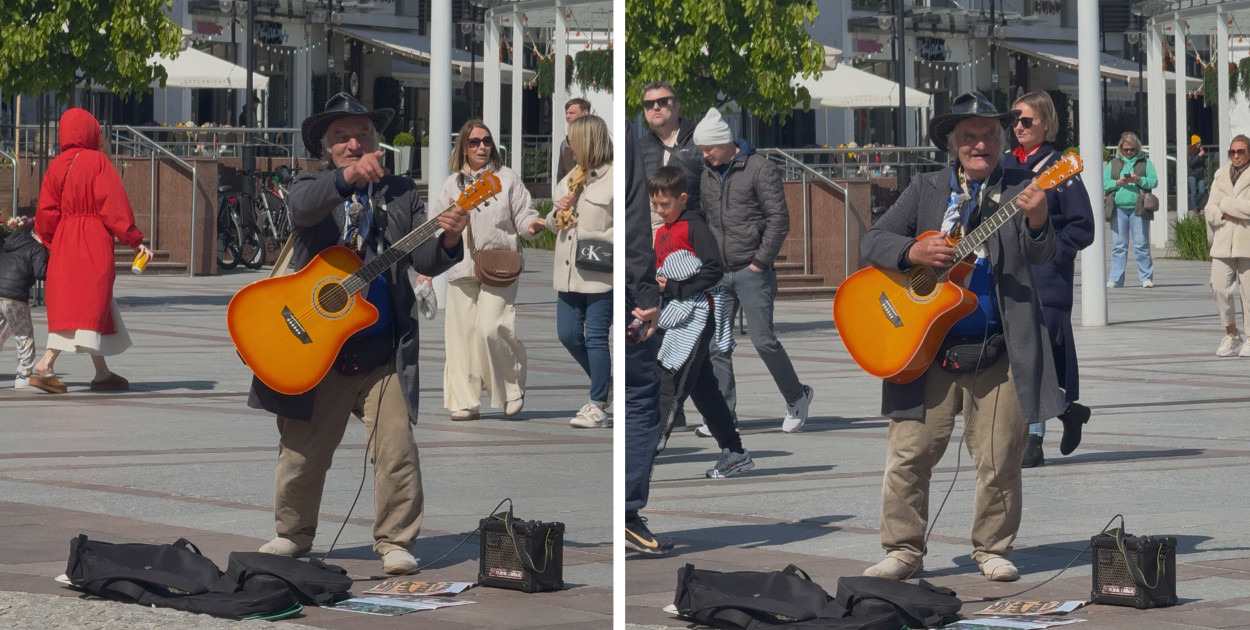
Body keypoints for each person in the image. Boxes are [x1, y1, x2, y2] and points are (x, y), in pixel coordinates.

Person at [247, 92, 468, 575]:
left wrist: (450, 235)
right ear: (327, 148)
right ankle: (293, 533)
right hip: (315, 352)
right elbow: (302, 209)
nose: (354, 143)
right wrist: (346, 180)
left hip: (379, 352)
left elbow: (425, 259)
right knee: (302, 457)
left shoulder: (401, 191)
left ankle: (395, 541)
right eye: (343, 137)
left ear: (376, 139)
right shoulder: (311, 183)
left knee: (397, 451)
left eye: (362, 134)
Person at [859, 91, 1063, 582]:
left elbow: (1043, 254)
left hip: (998, 348)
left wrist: (1037, 217)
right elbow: (871, 241)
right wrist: (912, 251)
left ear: (1001, 140)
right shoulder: (925, 188)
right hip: (924, 349)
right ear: (952, 143)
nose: (980, 145)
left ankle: (993, 548)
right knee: (909, 453)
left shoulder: (1022, 185)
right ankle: (903, 550)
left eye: (989, 135)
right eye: (969, 137)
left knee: (1000, 456)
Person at [695, 107, 815, 433]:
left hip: (752, 269)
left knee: (764, 341)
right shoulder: (707, 172)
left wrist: (760, 262)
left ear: (725, 142)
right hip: (719, 272)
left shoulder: (759, 168)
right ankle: (723, 417)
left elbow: (779, 219)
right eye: (701, 150)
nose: (705, 155)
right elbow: (704, 217)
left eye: (709, 149)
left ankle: (797, 396)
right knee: (717, 346)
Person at [30, 108, 154, 394]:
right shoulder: (97, 161)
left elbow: (46, 212)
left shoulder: (57, 164)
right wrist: (134, 239)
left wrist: (51, 241)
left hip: (64, 239)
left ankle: (101, 373)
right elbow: (114, 205)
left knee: (88, 304)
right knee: (90, 302)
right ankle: (45, 365)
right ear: (92, 133)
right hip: (92, 239)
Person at [1002, 92, 1095, 468]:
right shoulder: (1004, 165)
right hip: (1009, 276)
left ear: (1046, 123)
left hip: (1047, 278)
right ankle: (1068, 412)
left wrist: (1055, 253)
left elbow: (1083, 226)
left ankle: (1033, 441)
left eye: (1027, 121)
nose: (1019, 127)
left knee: (1039, 357)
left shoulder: (1058, 167)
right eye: (1015, 121)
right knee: (1017, 358)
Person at [433, 119, 545, 421]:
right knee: (460, 338)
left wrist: (532, 226)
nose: (482, 147)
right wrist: (427, 267)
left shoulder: (506, 178)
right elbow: (436, 227)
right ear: (464, 148)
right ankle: (465, 401)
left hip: (499, 264)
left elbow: (523, 214)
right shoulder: (451, 184)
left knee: (490, 327)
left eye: (486, 141)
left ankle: (512, 388)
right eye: (474, 142)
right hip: (460, 267)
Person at [650, 166, 752, 477]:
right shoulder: (664, 230)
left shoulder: (693, 226)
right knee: (704, 387)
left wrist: (677, 288)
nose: (659, 210)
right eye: (655, 204)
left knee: (671, 377)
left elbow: (713, 270)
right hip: (676, 315)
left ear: (682, 198)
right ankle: (734, 451)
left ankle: (649, 449)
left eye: (664, 204)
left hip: (697, 315)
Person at [623, 121, 671, 556]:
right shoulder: (623, 138)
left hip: (580, 288)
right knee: (639, 397)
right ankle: (626, 510)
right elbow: (635, 223)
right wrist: (645, 294)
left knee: (624, 394)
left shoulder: (573, 143)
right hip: (621, 292)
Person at [549, 115, 613, 428]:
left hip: (601, 274)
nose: (570, 146)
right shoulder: (570, 179)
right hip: (568, 272)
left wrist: (595, 240)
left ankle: (597, 401)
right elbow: (552, 222)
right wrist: (555, 213)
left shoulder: (614, 178)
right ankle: (606, 383)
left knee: (597, 337)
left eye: (574, 139)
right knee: (568, 335)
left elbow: (623, 228)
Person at [1203, 134, 1250, 358]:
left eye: (1240, 151)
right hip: (1223, 242)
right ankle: (1232, 334)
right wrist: (1223, 213)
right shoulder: (1220, 175)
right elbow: (1210, 209)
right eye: (1232, 152)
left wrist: (1228, 205)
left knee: (1248, 292)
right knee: (1218, 286)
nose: (1236, 156)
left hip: (1247, 242)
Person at [639, 82, 704, 235]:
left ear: (676, 105)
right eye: (648, 104)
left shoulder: (700, 142)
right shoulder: (639, 148)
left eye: (662, 102)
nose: (655, 107)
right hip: (653, 240)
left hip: (691, 236)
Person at [1104, 131, 1158, 289]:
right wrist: (1118, 182)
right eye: (1126, 149)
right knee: (1119, 245)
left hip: (1139, 208)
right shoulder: (1113, 163)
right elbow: (1105, 183)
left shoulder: (1145, 162)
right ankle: (1116, 278)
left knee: (1141, 244)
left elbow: (1154, 181)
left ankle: (1146, 277)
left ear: (1137, 148)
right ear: (1121, 148)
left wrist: (1139, 179)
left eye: (1132, 149)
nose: (1129, 152)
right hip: (1118, 209)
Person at [0, 215, 48, 389]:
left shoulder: (9, 244)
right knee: (23, 334)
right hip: (15, 297)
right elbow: (41, 272)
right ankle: (23, 375)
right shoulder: (37, 248)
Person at [555, 98, 590, 185]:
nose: (567, 116)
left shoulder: (597, 139)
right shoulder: (565, 144)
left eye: (571, 113)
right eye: (566, 113)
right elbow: (561, 175)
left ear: (585, 113)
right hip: (570, 193)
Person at [1189, 135, 1207, 214]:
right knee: (1193, 192)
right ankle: (1195, 209)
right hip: (1192, 174)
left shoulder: (1201, 150)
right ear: (1194, 144)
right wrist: (1199, 155)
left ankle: (1196, 205)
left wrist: (1203, 168)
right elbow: (1191, 163)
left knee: (1202, 191)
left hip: (1200, 173)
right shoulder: (1189, 152)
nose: (1200, 144)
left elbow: (1203, 162)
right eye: (1198, 143)